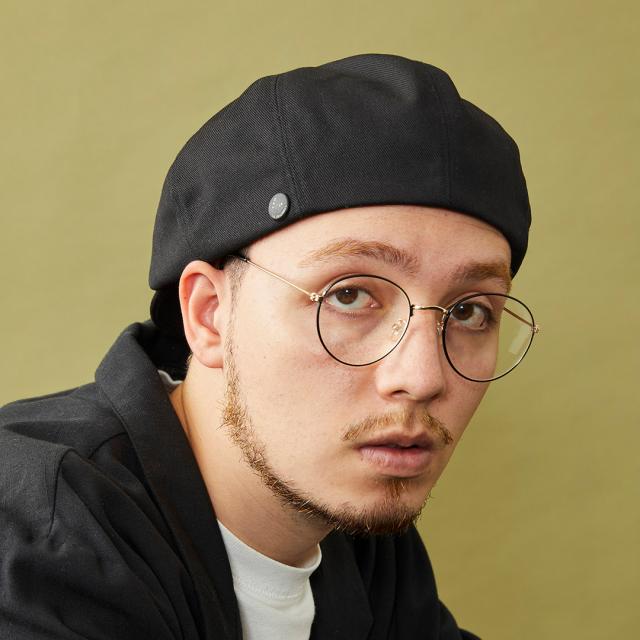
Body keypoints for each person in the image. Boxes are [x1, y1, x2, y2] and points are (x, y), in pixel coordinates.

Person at [0, 53, 538, 639]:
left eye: (470, 311)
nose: (424, 376)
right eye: (349, 295)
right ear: (209, 315)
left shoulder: (360, 532)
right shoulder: (40, 534)